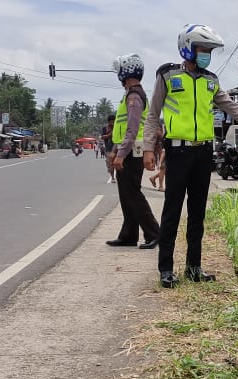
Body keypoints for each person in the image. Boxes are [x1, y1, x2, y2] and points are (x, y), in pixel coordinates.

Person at [143, 24, 238, 288]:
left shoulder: (211, 81)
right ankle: (166, 269)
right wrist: (149, 148)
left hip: (203, 152)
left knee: (197, 213)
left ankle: (194, 268)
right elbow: (153, 115)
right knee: (172, 211)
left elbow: (236, 109)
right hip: (178, 151)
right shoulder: (167, 76)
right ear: (188, 48)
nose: (206, 54)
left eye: (209, 50)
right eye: (203, 49)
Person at [107, 52, 160, 250]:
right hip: (127, 150)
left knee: (133, 194)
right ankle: (129, 234)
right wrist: (116, 149)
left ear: (125, 71)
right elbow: (121, 130)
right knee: (125, 194)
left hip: (132, 152)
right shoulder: (130, 94)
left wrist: (121, 154)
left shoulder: (134, 96)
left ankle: (154, 233)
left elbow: (132, 127)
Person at [101, 115, 117, 183]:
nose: (112, 124)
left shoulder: (117, 126)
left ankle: (117, 176)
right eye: (111, 122)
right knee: (110, 164)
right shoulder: (105, 128)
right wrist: (109, 135)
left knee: (116, 163)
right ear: (108, 122)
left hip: (117, 147)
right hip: (108, 148)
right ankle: (112, 177)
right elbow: (102, 137)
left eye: (114, 122)